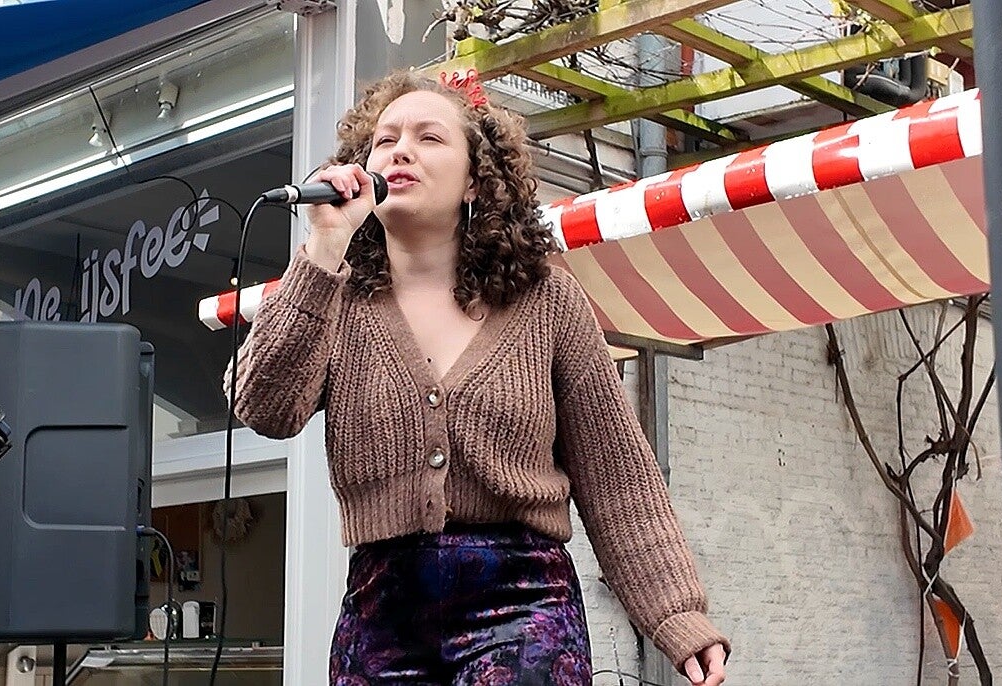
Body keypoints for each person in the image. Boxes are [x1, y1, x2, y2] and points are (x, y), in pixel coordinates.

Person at [226, 68, 729, 685]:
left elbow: (617, 474)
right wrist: (325, 247)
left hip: (525, 606)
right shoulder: (333, 296)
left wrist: (677, 614)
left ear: (474, 181)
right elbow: (263, 407)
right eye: (385, 140)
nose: (401, 150)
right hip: (382, 612)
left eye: (429, 137)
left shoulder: (546, 301)